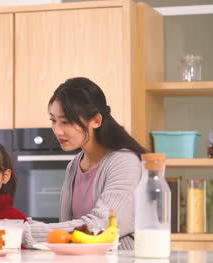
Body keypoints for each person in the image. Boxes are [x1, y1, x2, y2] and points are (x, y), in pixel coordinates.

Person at [23, 77, 146, 250]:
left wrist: (29, 232)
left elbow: (101, 225)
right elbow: (66, 228)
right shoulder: (74, 165)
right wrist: (20, 226)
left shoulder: (124, 162)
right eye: (53, 120)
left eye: (65, 122)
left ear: (96, 120)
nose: (57, 130)